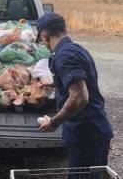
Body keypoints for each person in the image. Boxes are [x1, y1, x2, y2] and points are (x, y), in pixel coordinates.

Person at [37, 13, 113, 168]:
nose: (44, 44)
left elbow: (79, 97)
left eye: (42, 41)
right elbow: (81, 81)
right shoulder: (74, 49)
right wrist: (55, 83)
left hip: (87, 133)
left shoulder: (65, 56)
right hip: (90, 130)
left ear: (44, 36)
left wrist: (54, 122)